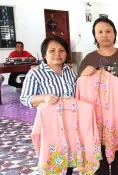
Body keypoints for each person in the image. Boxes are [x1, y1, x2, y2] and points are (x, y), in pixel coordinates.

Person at [77, 17, 118, 175]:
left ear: (114, 34)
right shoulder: (89, 59)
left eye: (108, 31)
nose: (104, 35)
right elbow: (80, 86)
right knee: (99, 159)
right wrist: (83, 74)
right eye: (100, 32)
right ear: (95, 36)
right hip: (96, 117)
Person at [19, 36, 77, 174]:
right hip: (49, 126)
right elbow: (25, 98)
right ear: (44, 55)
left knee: (68, 159)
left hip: (70, 124)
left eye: (61, 50)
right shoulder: (35, 73)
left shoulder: (71, 73)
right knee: (52, 161)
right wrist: (44, 97)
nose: (57, 54)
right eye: (52, 50)